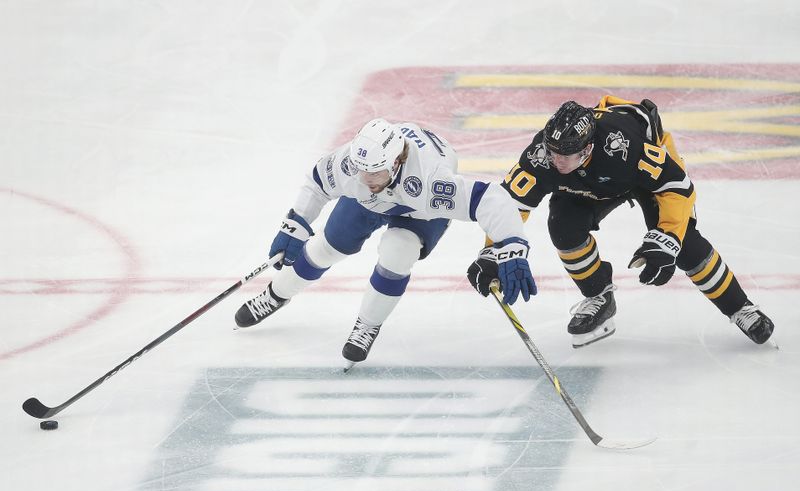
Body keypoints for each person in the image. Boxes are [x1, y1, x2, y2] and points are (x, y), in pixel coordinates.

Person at [467, 96, 774, 348]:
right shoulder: (544, 154)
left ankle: (740, 307)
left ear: (587, 149)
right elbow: (507, 205)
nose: (554, 160)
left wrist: (667, 238)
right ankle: (599, 296)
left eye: (565, 155)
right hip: (587, 182)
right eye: (552, 151)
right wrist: (494, 251)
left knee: (687, 246)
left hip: (639, 179)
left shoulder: (625, 148)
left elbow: (678, 188)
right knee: (563, 228)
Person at [235, 118, 537, 366]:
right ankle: (277, 293)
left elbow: (491, 200)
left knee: (399, 249)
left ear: (396, 163)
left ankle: (367, 324)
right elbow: (317, 184)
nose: (365, 178)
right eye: (361, 170)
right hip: (373, 202)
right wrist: (295, 224)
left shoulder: (432, 182)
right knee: (328, 246)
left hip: (419, 209)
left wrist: (511, 247)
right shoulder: (354, 166)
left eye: (374, 172)